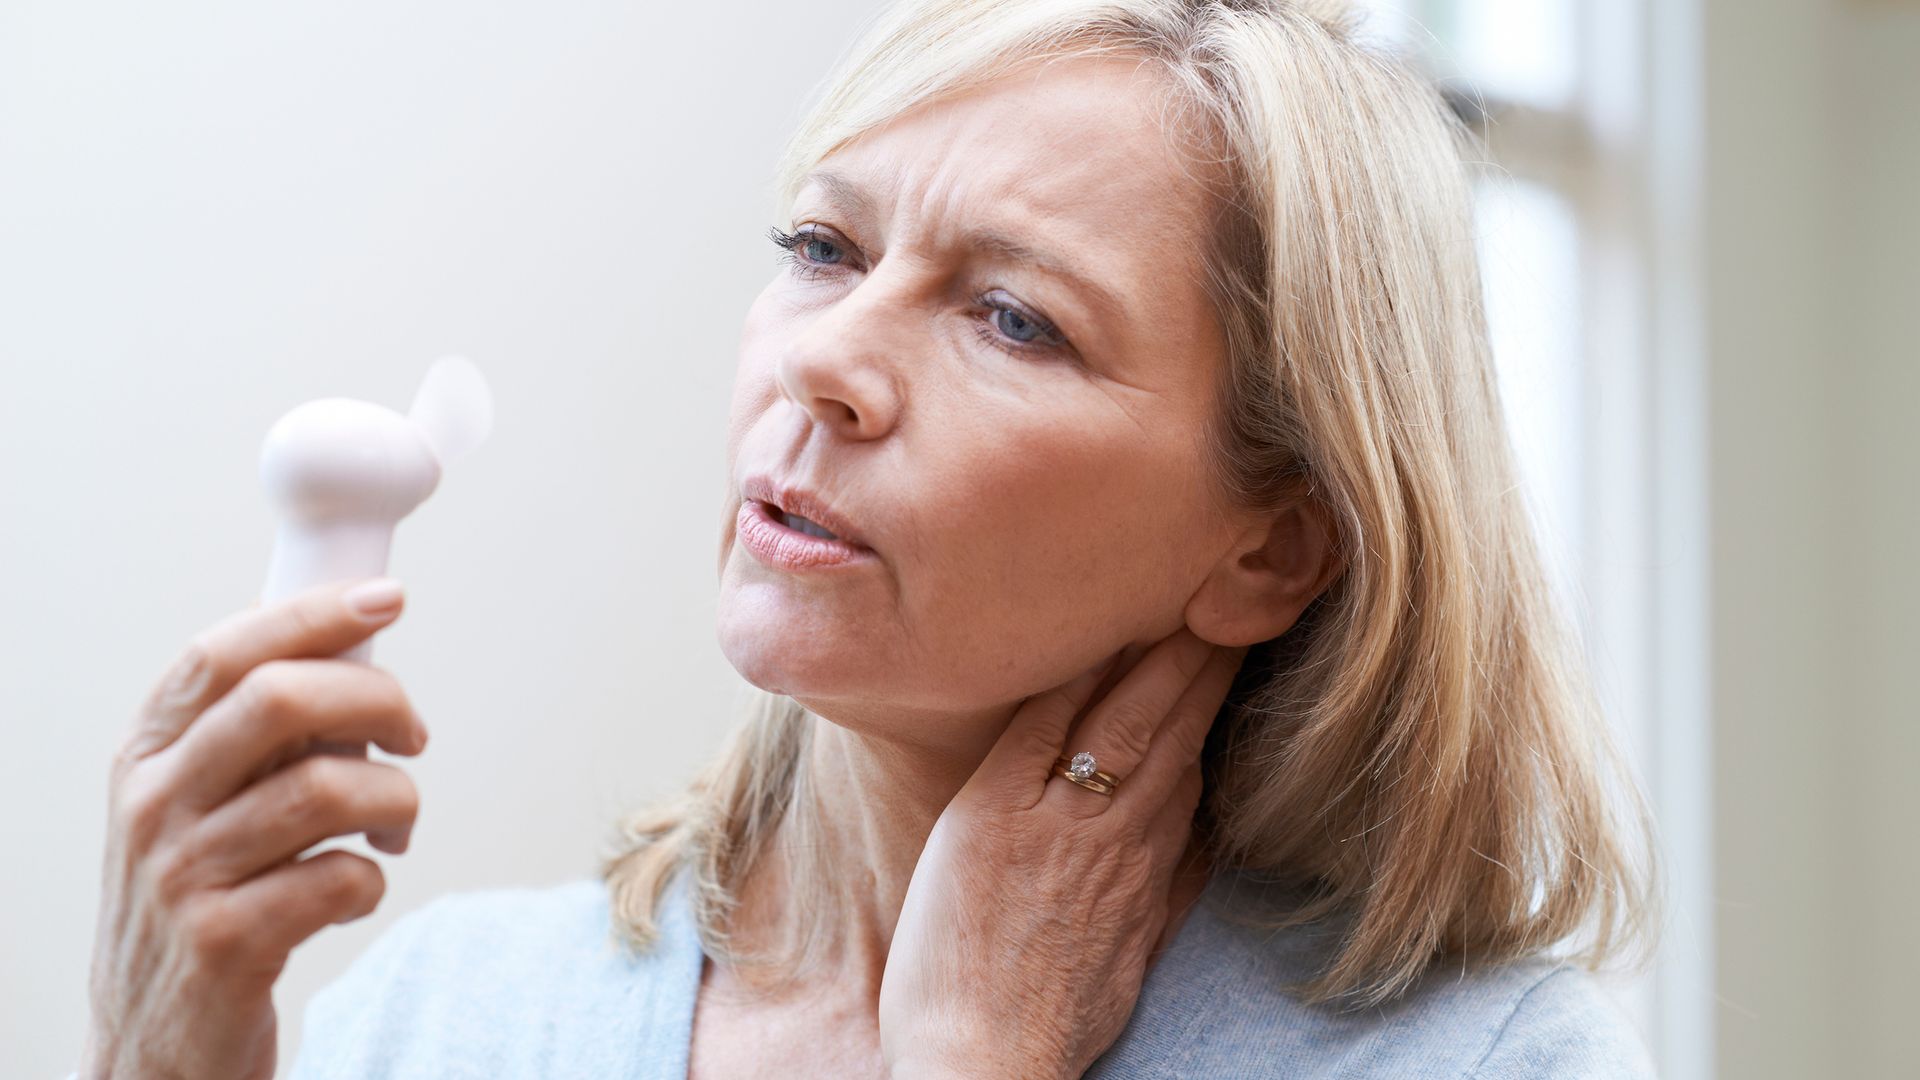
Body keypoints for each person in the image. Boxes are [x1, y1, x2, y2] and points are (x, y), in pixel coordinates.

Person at [76, 1, 1662, 1076]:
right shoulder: (447, 1016)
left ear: (1273, 548)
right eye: (823, 247)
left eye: (1013, 317)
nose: (821, 360)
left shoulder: (1468, 1059)